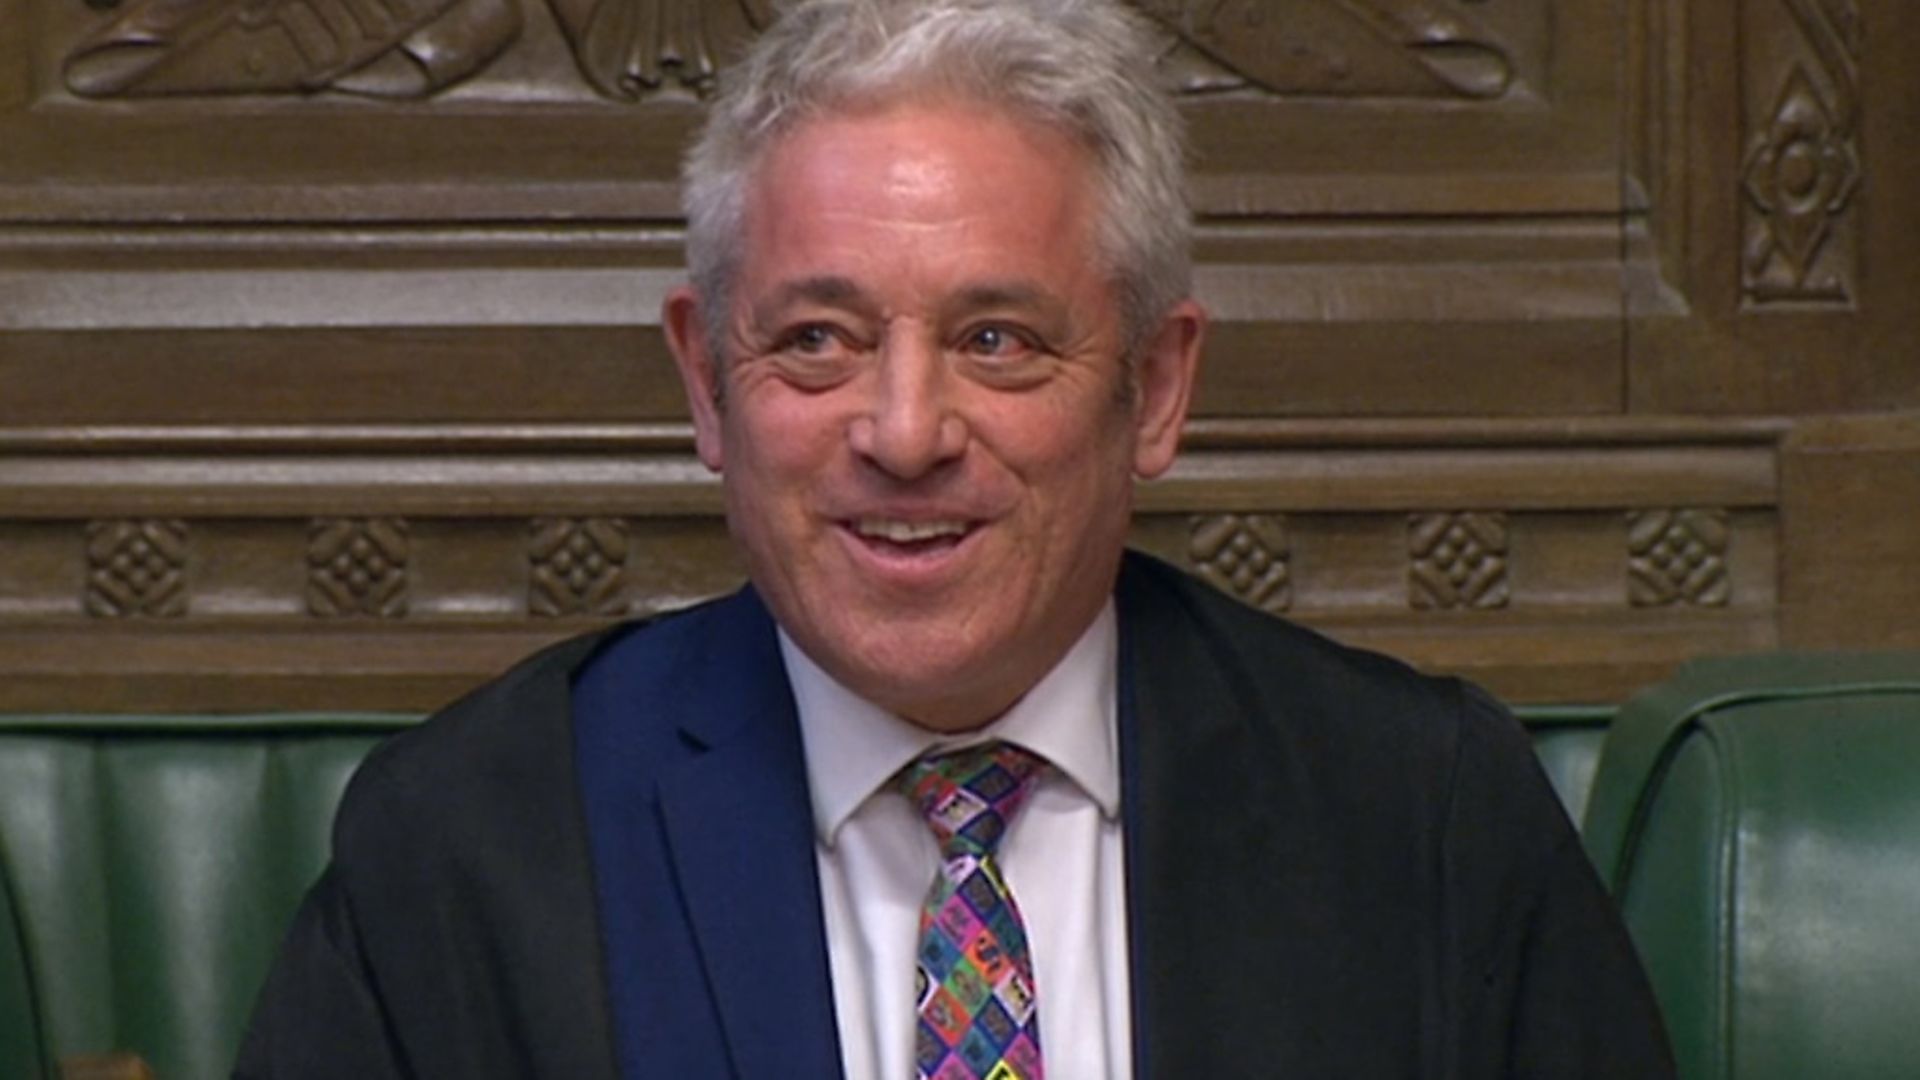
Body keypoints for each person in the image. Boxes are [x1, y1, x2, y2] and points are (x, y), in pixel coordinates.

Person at [235, 0, 1675, 1077]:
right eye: (817, 339)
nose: (905, 429)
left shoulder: (1422, 816)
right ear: (705, 383)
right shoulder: (469, 843)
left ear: (1155, 387)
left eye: (996, 339)